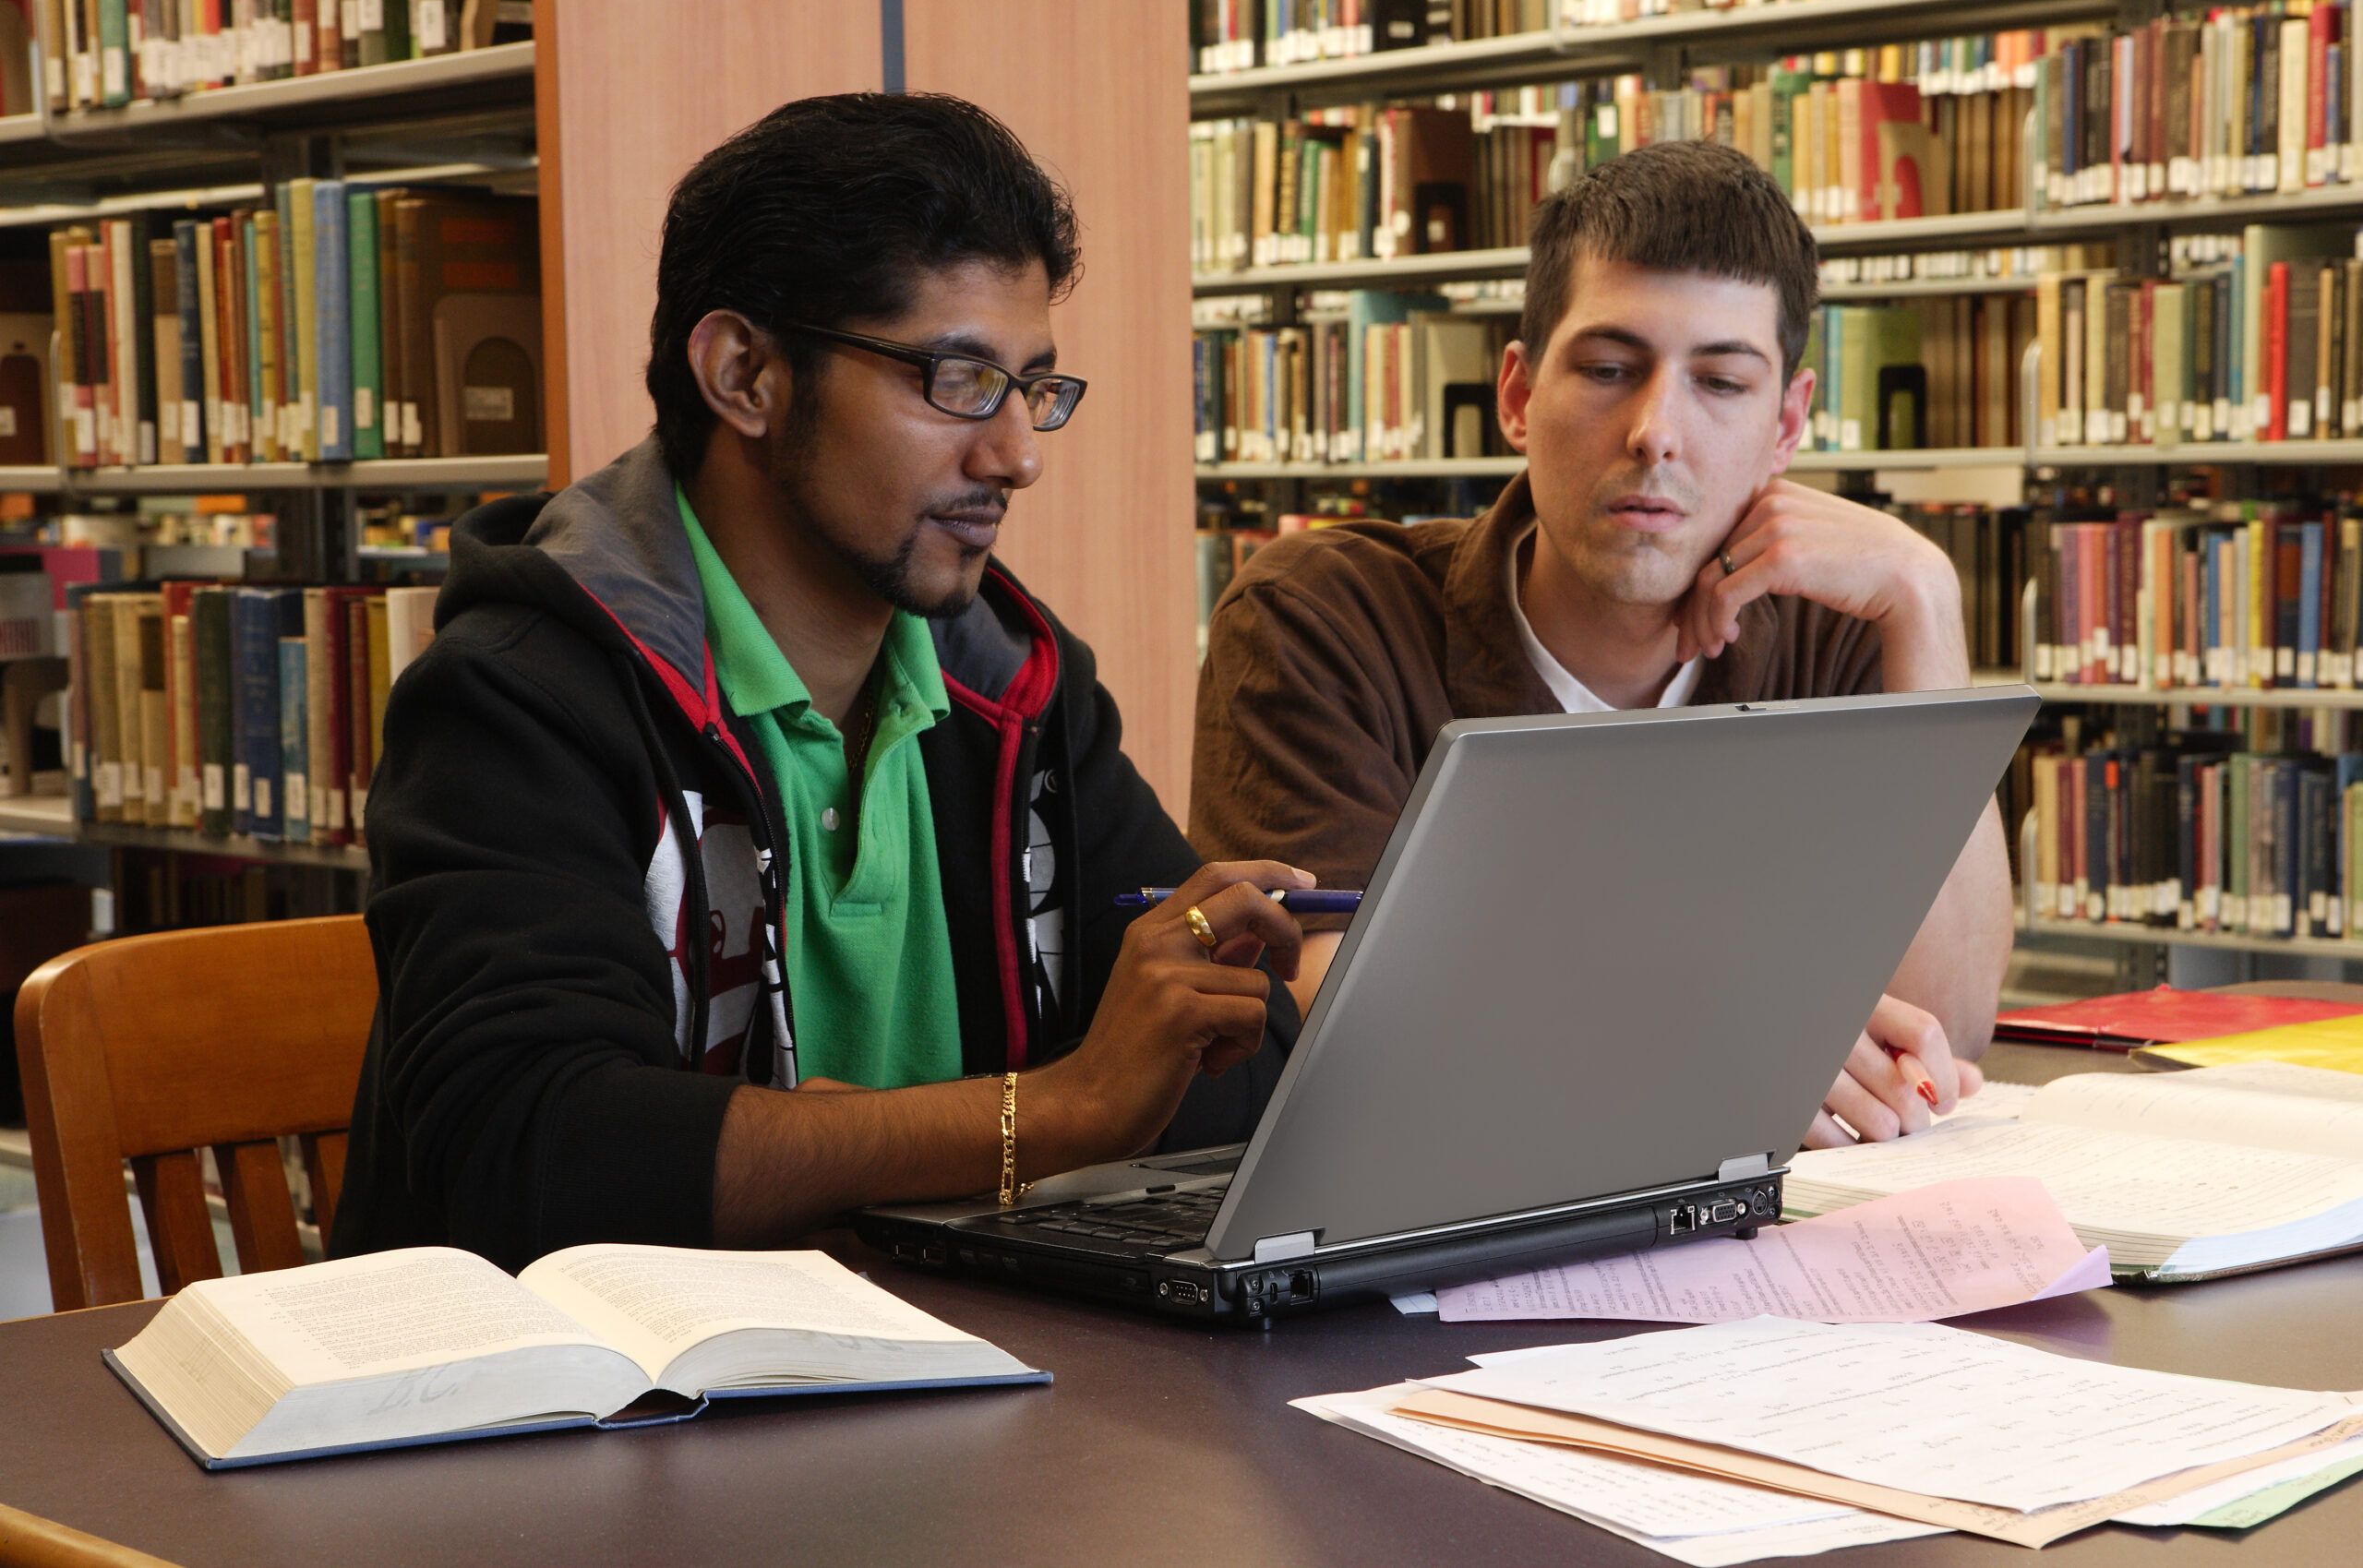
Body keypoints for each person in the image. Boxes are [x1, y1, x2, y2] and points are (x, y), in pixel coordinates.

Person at [334, 93, 1307, 1271]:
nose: (1017, 455)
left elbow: (1226, 1063)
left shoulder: (1017, 691)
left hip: (955, 1387)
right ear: (745, 374)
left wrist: (1173, 1031)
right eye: (956, 379)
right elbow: (530, 1158)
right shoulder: (518, 699)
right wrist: (1045, 1119)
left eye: (1033, 387)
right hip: (601, 1417)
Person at [1190, 140, 2012, 1152]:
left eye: (1720, 382)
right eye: (1610, 369)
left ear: (1787, 422)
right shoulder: (1320, 620)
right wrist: (1723, 1052)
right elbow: (1344, 1012)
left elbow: (1945, 1026)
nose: (1655, 431)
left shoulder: (1841, 635)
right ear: (1516, 396)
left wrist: (1925, 603)